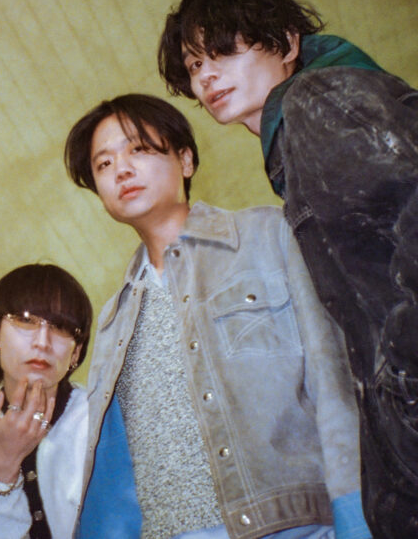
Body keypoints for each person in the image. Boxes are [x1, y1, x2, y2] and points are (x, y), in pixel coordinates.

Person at [157, 0, 418, 535]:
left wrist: (405, 388)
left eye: (224, 51)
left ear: (288, 43)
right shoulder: (303, 127)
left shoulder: (319, 101)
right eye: (196, 64)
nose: (206, 76)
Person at [64, 94, 367, 539]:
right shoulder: (115, 318)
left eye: (138, 149)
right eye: (104, 164)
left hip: (292, 527)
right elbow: (115, 474)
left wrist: (356, 520)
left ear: (185, 160)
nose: (121, 170)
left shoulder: (270, 235)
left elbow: (335, 383)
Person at [0, 264, 91, 539]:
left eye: (61, 327)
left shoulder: (99, 424)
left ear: (76, 352)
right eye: (26, 321)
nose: (42, 342)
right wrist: (4, 463)